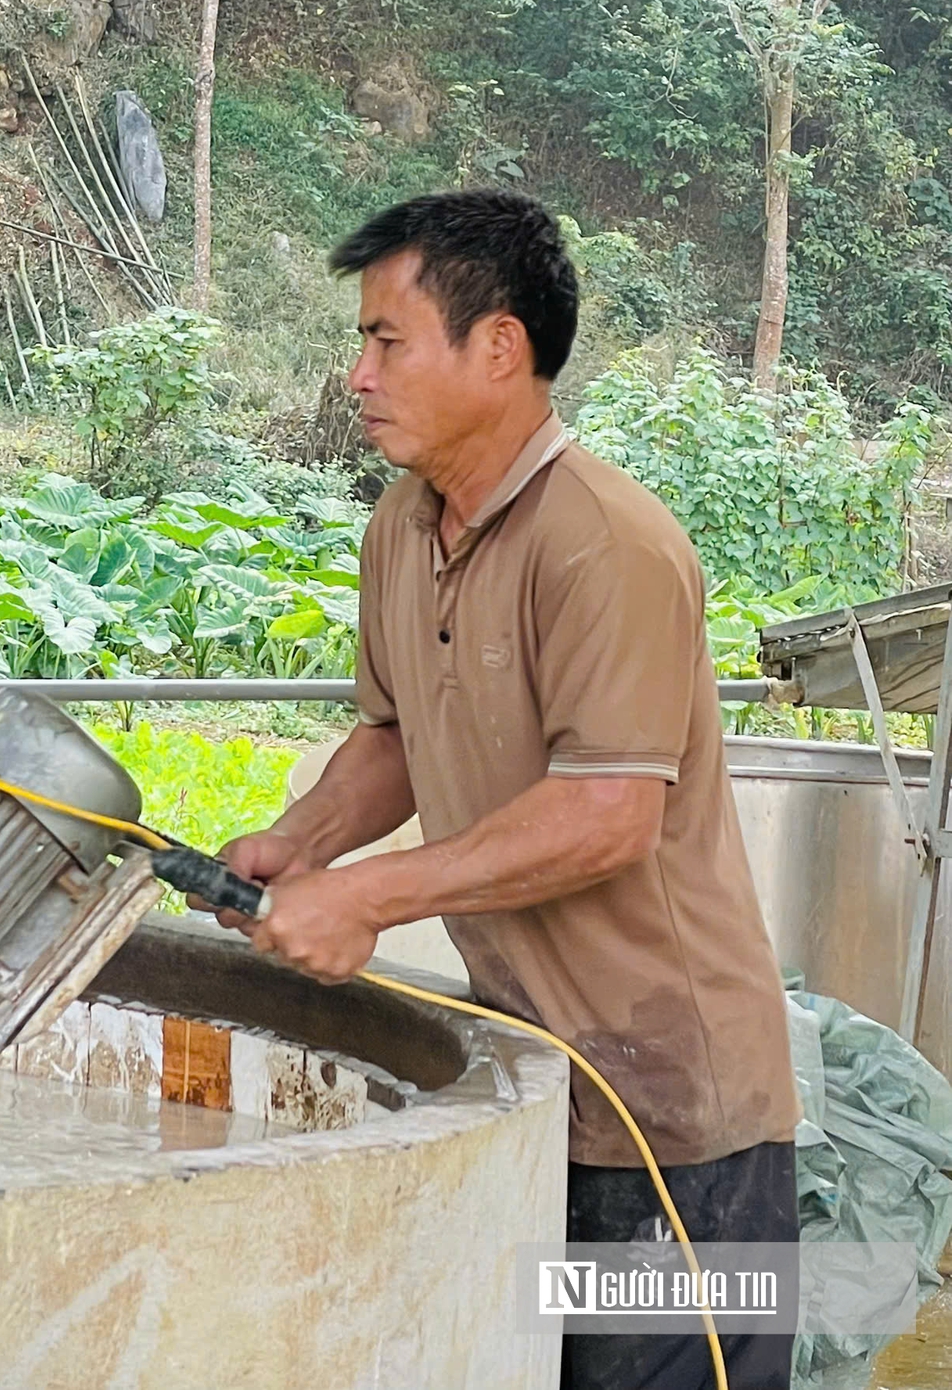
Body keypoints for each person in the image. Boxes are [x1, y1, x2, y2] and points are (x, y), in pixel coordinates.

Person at [207, 190, 801, 1389]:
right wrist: (297, 842)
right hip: (541, 1085)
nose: (358, 374)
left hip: (680, 1118)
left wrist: (368, 897)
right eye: (359, 340)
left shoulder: (607, 543)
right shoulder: (401, 522)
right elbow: (394, 736)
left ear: (497, 348)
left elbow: (606, 812)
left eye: (385, 338)